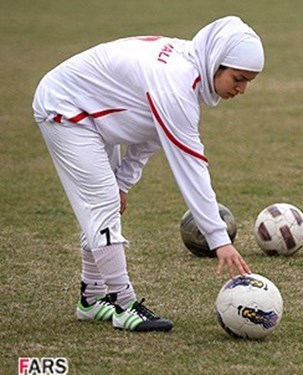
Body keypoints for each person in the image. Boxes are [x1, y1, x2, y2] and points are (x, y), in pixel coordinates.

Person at [32, 16, 261, 332]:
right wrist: (219, 239)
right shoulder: (178, 82)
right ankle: (124, 305)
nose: (242, 89)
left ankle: (93, 300)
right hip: (67, 107)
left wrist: (123, 181)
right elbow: (191, 165)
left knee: (107, 201)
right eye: (238, 78)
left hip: (94, 115)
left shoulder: (189, 68)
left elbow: (151, 132)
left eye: (249, 80)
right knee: (101, 206)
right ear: (216, 63)